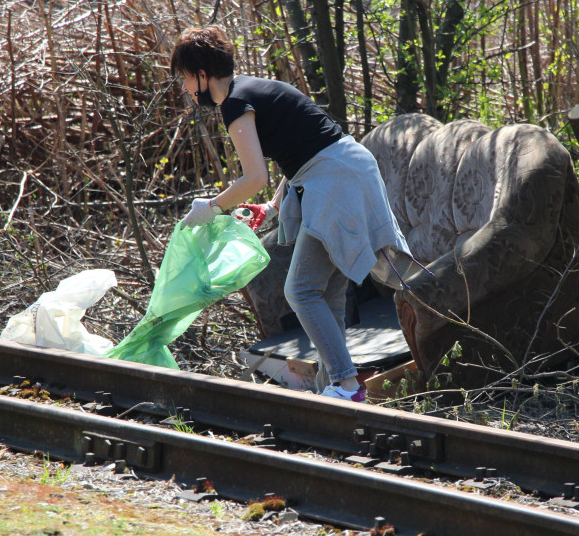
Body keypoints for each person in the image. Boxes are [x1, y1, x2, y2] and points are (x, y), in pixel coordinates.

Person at [170, 25, 412, 402]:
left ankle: (347, 386)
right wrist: (271, 207)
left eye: (185, 80)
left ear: (202, 75)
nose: (186, 90)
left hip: (335, 181)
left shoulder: (235, 103)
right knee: (326, 294)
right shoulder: (253, 88)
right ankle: (331, 386)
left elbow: (254, 176)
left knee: (299, 290)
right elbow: (299, 154)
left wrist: (212, 207)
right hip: (345, 171)